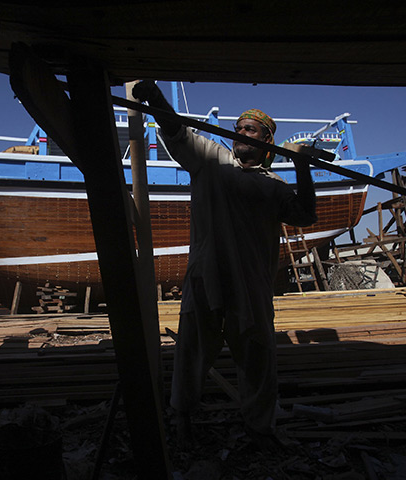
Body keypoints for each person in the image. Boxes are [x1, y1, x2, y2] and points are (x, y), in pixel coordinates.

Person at [132, 81, 317, 447]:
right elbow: (175, 130)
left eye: (250, 130)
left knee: (259, 358)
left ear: (267, 142)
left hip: (252, 285)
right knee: (192, 352)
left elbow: (306, 215)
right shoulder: (211, 160)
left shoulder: (275, 186)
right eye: (237, 130)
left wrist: (303, 167)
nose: (240, 134)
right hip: (206, 277)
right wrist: (156, 98)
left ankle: (259, 427)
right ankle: (181, 416)